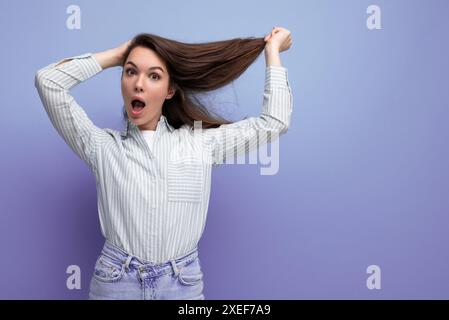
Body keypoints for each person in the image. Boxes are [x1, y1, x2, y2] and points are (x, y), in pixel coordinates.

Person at [34, 27, 293, 300]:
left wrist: (272, 52)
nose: (139, 84)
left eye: (153, 75)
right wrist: (118, 55)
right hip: (116, 281)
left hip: (181, 282)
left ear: (170, 90)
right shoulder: (101, 147)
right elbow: (48, 82)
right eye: (131, 72)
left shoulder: (201, 144)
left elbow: (274, 123)